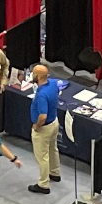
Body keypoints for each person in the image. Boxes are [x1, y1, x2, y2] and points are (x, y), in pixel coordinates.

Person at [27, 64, 61, 194]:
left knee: (43, 157)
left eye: (34, 73)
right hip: (54, 122)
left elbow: (42, 116)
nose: (32, 75)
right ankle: (55, 172)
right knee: (53, 149)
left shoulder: (41, 95)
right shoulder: (52, 84)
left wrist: (36, 126)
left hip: (44, 128)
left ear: (39, 76)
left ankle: (43, 184)